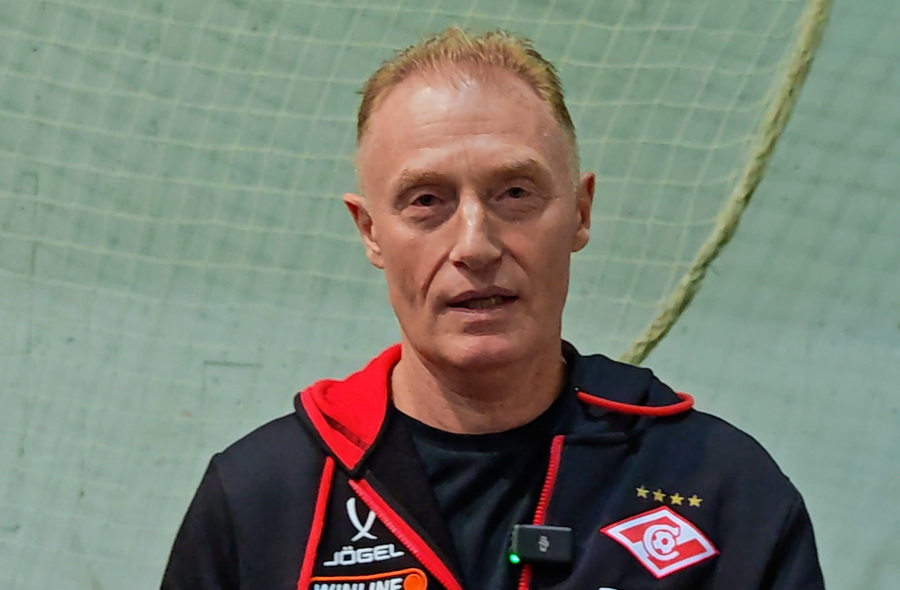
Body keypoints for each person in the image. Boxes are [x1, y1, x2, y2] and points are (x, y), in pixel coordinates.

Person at [162, 27, 824, 590]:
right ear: (370, 232)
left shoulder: (723, 489)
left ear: (581, 212)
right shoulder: (261, 496)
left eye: (514, 193)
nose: (475, 246)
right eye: (427, 201)